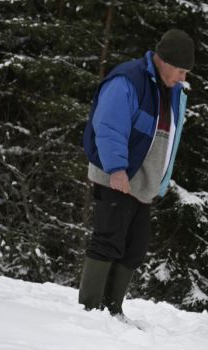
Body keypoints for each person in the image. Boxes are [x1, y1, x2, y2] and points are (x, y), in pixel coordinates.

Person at [79, 29, 194, 316]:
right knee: (109, 239)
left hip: (142, 183)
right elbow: (109, 126)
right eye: (180, 70)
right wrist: (116, 169)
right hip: (116, 176)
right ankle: (91, 310)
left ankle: (112, 308)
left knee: (135, 246)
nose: (183, 78)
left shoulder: (173, 92)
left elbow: (169, 141)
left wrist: (161, 181)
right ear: (164, 61)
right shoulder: (128, 80)